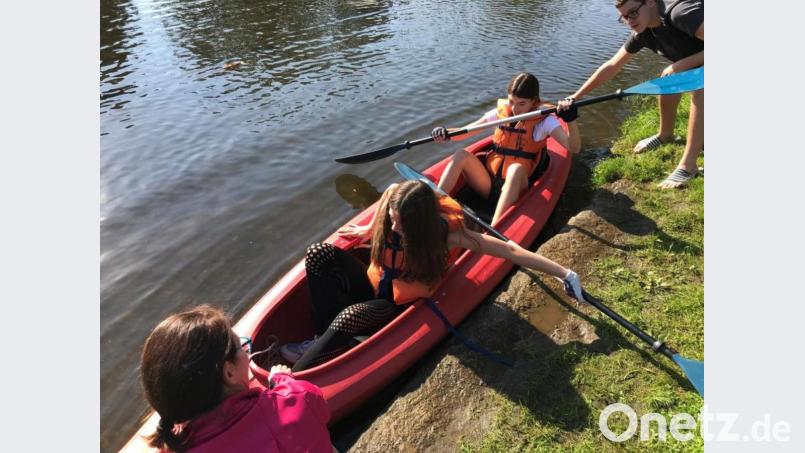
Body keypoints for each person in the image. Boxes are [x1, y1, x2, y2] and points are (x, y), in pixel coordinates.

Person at [280, 180, 586, 371]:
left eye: (402, 225)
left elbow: (511, 252)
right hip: (375, 282)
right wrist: (370, 228)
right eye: (392, 220)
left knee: (349, 317)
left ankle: (292, 381)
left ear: (422, 223)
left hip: (393, 307)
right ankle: (321, 338)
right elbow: (387, 199)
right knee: (318, 252)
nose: (395, 228)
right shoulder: (392, 202)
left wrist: (564, 273)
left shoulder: (447, 236)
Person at [139, 305, 336, 453]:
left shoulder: (174, 443)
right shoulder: (295, 400)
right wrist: (283, 381)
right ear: (229, 373)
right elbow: (314, 402)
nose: (245, 351)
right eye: (240, 347)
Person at [558, 0, 703, 189]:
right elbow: (611, 66)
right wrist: (575, 96)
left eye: (632, 13)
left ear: (650, 2)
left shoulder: (682, 14)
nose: (630, 21)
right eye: (624, 17)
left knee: (703, 90)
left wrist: (680, 65)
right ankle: (665, 135)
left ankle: (688, 165)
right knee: (667, 81)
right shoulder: (643, 33)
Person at [430, 72, 581, 225]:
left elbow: (574, 148)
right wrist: (446, 133)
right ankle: (431, 209)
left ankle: (494, 229)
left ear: (534, 101)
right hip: (488, 184)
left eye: (522, 103)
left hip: (518, 187)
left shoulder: (545, 122)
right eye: (512, 101)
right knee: (460, 155)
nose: (515, 109)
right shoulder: (500, 113)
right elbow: (466, 131)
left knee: (515, 169)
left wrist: (571, 121)